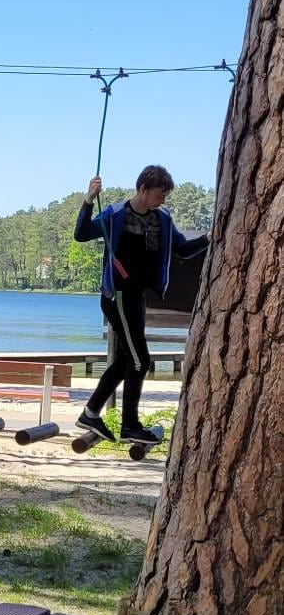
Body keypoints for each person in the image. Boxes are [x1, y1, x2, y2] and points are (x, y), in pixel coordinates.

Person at [73, 164, 208, 444]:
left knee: (126, 359)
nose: (162, 200)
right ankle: (130, 426)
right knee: (140, 361)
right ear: (143, 189)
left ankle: (90, 413)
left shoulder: (163, 219)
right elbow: (82, 233)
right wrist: (89, 199)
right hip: (118, 296)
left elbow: (183, 250)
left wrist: (210, 236)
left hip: (137, 297)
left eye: (165, 196)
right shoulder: (115, 215)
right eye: (159, 195)